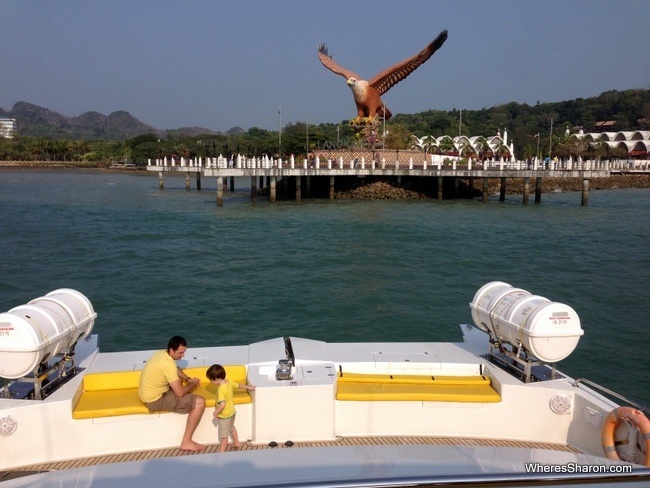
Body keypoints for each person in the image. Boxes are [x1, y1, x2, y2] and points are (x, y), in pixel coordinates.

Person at [138, 335, 206, 452]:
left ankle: (187, 441)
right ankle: (186, 442)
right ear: (171, 350)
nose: (182, 355)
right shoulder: (168, 364)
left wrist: (188, 379)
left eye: (183, 352)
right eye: (180, 353)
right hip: (155, 400)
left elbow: (175, 368)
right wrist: (193, 384)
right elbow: (180, 393)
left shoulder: (161, 354)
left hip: (148, 393)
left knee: (177, 372)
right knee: (200, 402)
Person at [206, 363, 255, 452]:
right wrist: (249, 387)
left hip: (224, 415)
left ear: (216, 379)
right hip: (232, 412)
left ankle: (221, 452)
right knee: (231, 428)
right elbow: (239, 386)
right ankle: (236, 443)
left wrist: (215, 413)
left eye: (210, 380)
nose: (210, 382)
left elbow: (222, 405)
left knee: (224, 435)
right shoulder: (228, 382)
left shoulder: (221, 390)